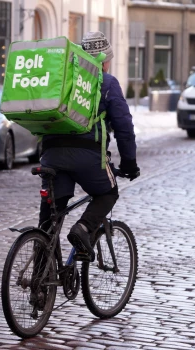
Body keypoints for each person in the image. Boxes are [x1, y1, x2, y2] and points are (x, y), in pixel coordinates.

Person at [38, 31, 139, 261]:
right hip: (89, 156)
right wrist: (129, 163)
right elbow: (124, 127)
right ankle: (83, 228)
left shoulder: (61, 78)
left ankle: (40, 286)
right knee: (108, 193)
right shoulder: (107, 82)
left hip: (51, 154)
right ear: (104, 60)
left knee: (48, 221)